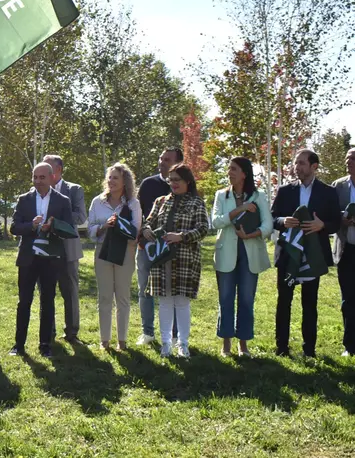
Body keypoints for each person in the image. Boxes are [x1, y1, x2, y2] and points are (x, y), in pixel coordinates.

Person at [271, 149, 340, 358]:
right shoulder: (285, 191)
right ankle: (281, 348)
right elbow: (272, 218)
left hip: (313, 255)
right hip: (288, 254)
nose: (297, 167)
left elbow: (336, 223)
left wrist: (322, 225)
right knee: (284, 301)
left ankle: (309, 350)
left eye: (301, 163)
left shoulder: (328, 192)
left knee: (310, 304)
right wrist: (283, 221)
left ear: (314, 166)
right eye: (295, 163)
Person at [141, 163, 209, 358]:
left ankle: (183, 345)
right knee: (164, 302)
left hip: (185, 260)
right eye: (170, 180)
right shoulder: (161, 201)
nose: (173, 184)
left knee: (181, 303)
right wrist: (146, 230)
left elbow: (203, 229)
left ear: (188, 181)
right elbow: (148, 221)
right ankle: (165, 344)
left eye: (177, 180)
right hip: (162, 260)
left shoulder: (196, 202)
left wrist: (181, 236)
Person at [9, 162, 75, 358]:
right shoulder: (24, 199)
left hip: (51, 257)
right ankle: (19, 345)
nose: (37, 181)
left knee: (47, 301)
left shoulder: (62, 200)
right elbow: (14, 227)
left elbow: (69, 229)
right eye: (35, 177)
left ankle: (45, 344)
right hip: (29, 257)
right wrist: (31, 225)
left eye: (42, 177)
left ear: (52, 177)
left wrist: (52, 227)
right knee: (24, 301)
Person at [211, 157, 273, 357]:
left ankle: (243, 345)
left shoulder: (259, 196)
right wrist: (240, 209)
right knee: (226, 298)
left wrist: (251, 235)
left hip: (250, 254)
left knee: (246, 299)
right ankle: (226, 344)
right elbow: (216, 222)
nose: (230, 172)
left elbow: (268, 225)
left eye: (234, 169)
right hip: (225, 254)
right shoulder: (221, 195)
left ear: (244, 174)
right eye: (229, 169)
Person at [87, 163, 142, 351]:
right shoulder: (97, 202)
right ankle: (104, 341)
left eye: (115, 177)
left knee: (123, 297)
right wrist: (104, 227)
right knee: (104, 297)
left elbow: (136, 232)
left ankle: (122, 341)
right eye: (109, 177)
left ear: (125, 181)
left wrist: (120, 226)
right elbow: (91, 231)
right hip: (102, 251)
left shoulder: (133, 204)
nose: (111, 181)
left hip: (125, 252)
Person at [135, 147, 182, 346]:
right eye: (161, 159)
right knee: (145, 288)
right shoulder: (148, 184)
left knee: (171, 290)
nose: (161, 162)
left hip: (172, 247)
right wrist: (141, 235)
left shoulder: (184, 186)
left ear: (178, 163)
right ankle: (147, 332)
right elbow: (138, 212)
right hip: (147, 246)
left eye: (167, 159)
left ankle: (173, 334)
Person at [43, 154, 87, 345]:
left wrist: (56, 220)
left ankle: (72, 333)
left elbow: (81, 217)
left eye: (48, 168)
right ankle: (49, 332)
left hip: (68, 249)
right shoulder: (36, 189)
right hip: (45, 249)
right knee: (46, 292)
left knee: (70, 292)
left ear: (58, 170)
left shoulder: (74, 190)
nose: (44, 172)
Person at [333, 148, 355, 356]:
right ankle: (350, 345)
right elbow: (329, 212)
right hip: (346, 249)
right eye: (347, 158)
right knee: (348, 298)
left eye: (353, 158)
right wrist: (341, 218)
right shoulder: (338, 186)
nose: (349, 161)